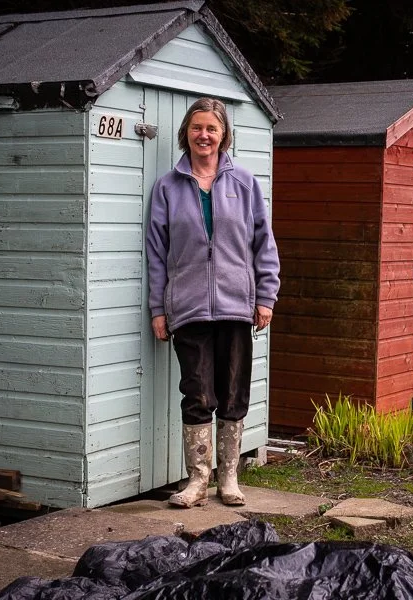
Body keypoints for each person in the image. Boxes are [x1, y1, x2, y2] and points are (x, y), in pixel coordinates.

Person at [146, 97, 280, 508]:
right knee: (198, 393)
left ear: (224, 136)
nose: (204, 135)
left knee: (234, 393)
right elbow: (156, 252)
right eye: (197, 128)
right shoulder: (168, 187)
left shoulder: (244, 181)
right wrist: (158, 308)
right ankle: (197, 481)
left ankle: (229, 479)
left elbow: (263, 242)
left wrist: (266, 295)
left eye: (212, 129)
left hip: (237, 305)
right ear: (186, 132)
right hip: (187, 309)